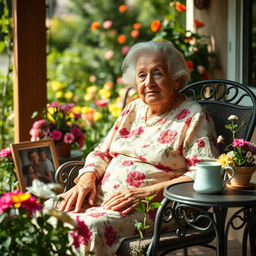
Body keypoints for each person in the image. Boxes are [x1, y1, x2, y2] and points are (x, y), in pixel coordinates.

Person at [57, 41, 218, 255]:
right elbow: (102, 151)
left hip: (151, 208)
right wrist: (87, 177)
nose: (149, 82)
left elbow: (202, 173)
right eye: (142, 76)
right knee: (46, 211)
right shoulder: (133, 108)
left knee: (89, 229)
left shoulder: (193, 115)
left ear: (176, 79)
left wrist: (146, 193)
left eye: (157, 73)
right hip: (99, 198)